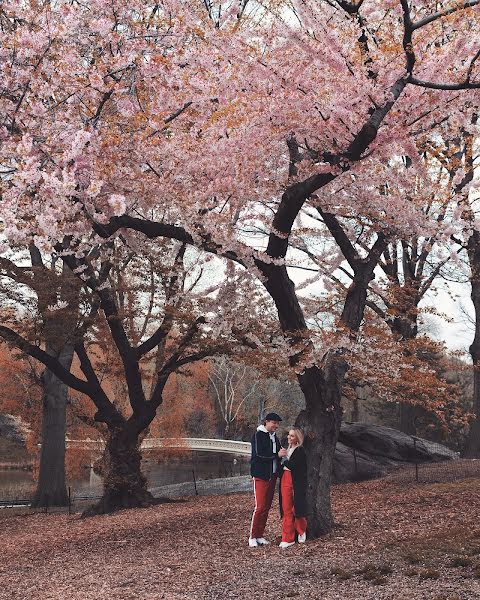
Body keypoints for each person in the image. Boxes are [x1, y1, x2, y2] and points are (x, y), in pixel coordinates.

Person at [248, 412, 288, 548]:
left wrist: (281, 454)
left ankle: (260, 535)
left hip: (272, 476)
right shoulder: (258, 435)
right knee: (259, 507)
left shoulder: (274, 437)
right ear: (266, 422)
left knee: (266, 507)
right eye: (274, 423)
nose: (276, 426)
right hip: (261, 475)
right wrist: (276, 455)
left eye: (277, 423)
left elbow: (276, 454)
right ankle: (252, 536)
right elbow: (258, 454)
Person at [278, 427, 308, 549]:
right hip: (285, 479)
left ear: (298, 438)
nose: (289, 438)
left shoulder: (300, 451)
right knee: (286, 508)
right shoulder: (287, 449)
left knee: (297, 508)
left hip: (296, 481)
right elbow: (282, 466)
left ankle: (301, 530)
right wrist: (280, 458)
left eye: (292, 436)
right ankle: (287, 538)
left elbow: (292, 466)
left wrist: (283, 459)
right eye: (289, 435)